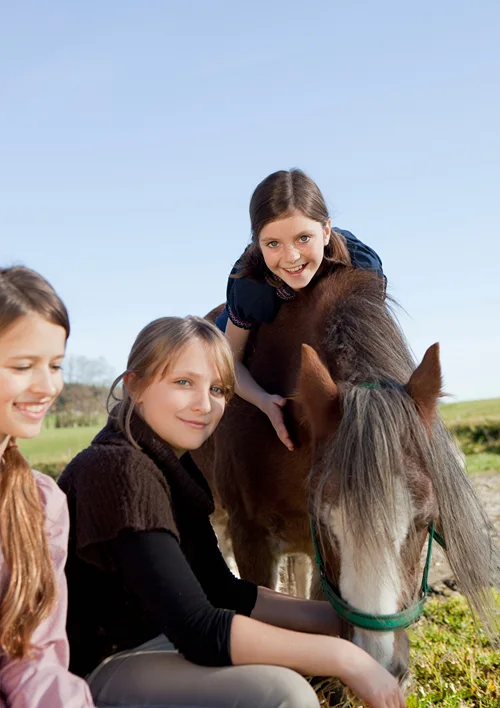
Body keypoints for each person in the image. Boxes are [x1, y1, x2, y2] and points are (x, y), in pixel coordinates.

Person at [58, 315, 405, 708]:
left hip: (159, 639)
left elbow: (221, 590)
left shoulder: (168, 464)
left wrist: (346, 622)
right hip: (104, 663)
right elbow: (199, 630)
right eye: (183, 382)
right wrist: (345, 657)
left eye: (219, 389)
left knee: (296, 664)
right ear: (134, 385)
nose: (204, 405)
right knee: (285, 696)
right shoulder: (118, 469)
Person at [215, 168, 385, 451]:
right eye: (273, 243)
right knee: (208, 357)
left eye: (303, 238)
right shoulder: (250, 285)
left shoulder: (361, 265)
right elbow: (230, 361)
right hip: (262, 296)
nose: (291, 257)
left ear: (326, 231)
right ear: (257, 244)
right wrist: (262, 400)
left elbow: (373, 347)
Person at [0, 266, 94, 707]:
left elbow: (33, 660)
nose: (48, 386)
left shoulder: (41, 503)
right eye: (22, 366)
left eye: (55, 365)